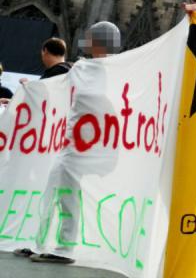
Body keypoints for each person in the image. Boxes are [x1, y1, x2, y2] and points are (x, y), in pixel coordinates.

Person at [15, 21, 122, 264]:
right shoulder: (81, 68)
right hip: (73, 143)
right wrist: (29, 88)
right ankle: (39, 242)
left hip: (92, 146)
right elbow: (56, 88)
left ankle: (64, 248)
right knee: (52, 190)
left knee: (67, 195)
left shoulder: (118, 71)